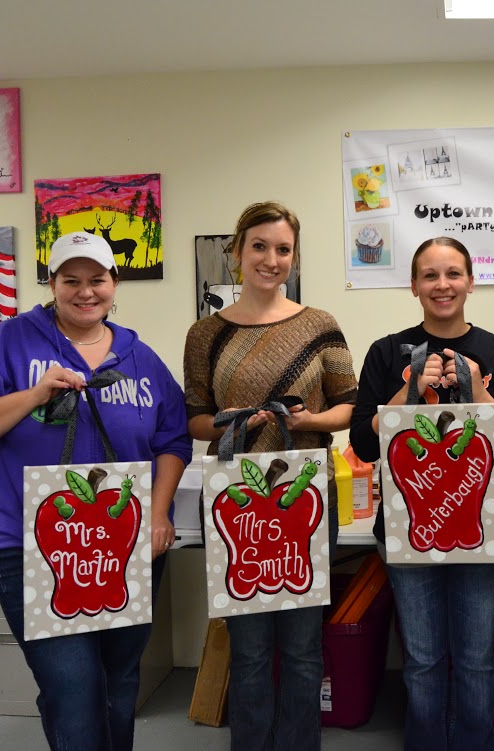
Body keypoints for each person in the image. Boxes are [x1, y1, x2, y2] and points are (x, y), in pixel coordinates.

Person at [0, 231, 192, 751]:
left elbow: (173, 440)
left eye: (97, 279)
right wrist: (32, 396)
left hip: (123, 546)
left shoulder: (140, 358)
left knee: (119, 683)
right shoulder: (7, 343)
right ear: (52, 284)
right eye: (71, 280)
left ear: (114, 283)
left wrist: (159, 513)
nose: (85, 291)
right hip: (31, 545)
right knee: (73, 686)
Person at [349, 236, 494, 751]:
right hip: (408, 530)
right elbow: (363, 442)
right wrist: (407, 389)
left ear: (471, 282)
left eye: (453, 273)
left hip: (483, 530)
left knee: (476, 658)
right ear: (413, 286)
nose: (442, 285)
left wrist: (480, 390)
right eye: (430, 275)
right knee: (423, 658)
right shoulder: (386, 352)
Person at [183, 201, 357, 751]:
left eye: (283, 249)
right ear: (236, 252)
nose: (271, 259)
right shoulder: (205, 334)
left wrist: (308, 421)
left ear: (294, 257)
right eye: (259, 246)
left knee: (303, 648)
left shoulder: (320, 326)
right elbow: (195, 419)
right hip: (237, 505)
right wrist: (231, 420)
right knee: (251, 650)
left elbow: (349, 407)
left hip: (304, 501)